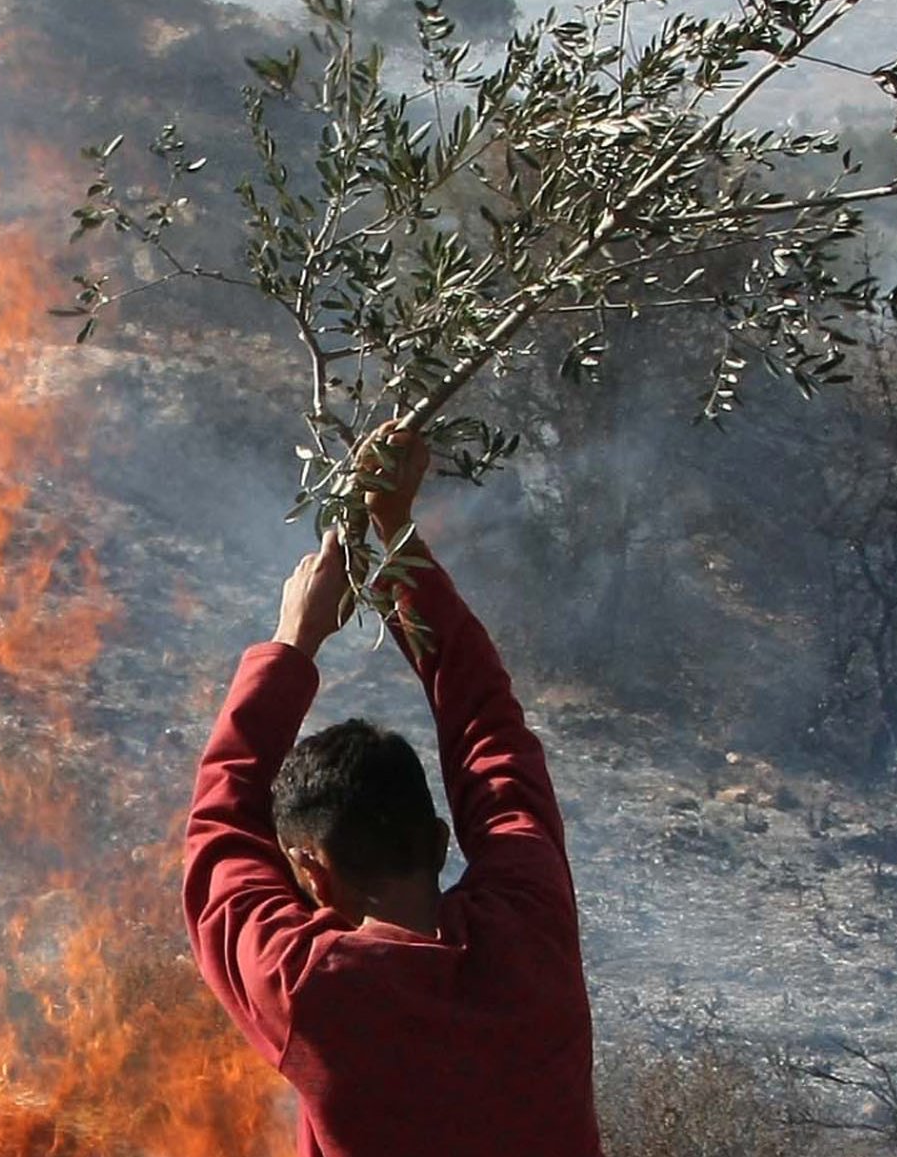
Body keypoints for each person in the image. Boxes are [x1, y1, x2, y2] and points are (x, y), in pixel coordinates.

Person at [183, 424, 605, 1157]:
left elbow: (219, 834)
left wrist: (295, 639)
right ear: (440, 839)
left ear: (310, 869)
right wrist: (395, 538)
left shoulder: (314, 989)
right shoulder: (533, 930)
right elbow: (490, 734)